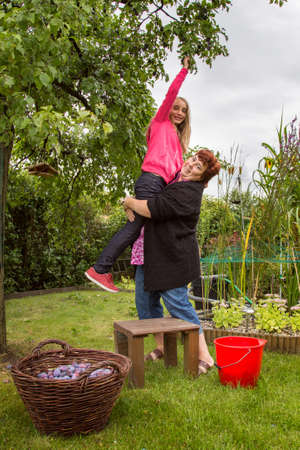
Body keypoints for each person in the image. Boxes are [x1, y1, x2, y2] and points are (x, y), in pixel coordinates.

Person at [85, 57, 191, 293]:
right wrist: (184, 70)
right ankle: (100, 269)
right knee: (134, 229)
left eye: (184, 110)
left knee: (143, 230)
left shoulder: (175, 142)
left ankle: (140, 276)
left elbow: (176, 175)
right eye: (176, 107)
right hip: (151, 182)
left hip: (156, 185)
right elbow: (171, 93)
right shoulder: (160, 121)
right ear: (168, 108)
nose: (180, 112)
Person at [124, 149, 221, 374]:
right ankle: (162, 348)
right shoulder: (173, 180)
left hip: (173, 258)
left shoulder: (188, 192)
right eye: (193, 160)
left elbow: (152, 209)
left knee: (178, 305)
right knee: (146, 304)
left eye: (198, 167)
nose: (191, 165)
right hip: (152, 254)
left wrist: (128, 201)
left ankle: (205, 357)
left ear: (202, 179)